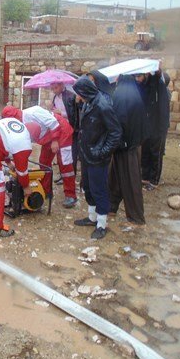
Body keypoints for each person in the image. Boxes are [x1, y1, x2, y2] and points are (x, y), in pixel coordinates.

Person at [72, 76, 122, 240]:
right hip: (87, 154)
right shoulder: (88, 103)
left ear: (85, 91)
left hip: (97, 156)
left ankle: (101, 223)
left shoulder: (103, 105)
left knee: (99, 189)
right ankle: (92, 217)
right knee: (88, 186)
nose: (77, 96)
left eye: (78, 93)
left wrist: (103, 152)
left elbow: (116, 133)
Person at [2, 105, 77, 208]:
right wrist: (11, 160)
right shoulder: (17, 124)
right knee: (44, 162)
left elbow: (54, 123)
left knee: (65, 165)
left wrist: (55, 141)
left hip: (62, 132)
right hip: (47, 136)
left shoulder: (34, 111)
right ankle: (46, 191)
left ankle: (70, 195)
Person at [109, 75, 147, 226]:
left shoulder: (121, 94)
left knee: (131, 181)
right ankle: (111, 207)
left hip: (126, 145)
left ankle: (136, 217)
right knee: (115, 179)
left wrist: (118, 142)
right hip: (130, 143)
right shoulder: (133, 92)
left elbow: (119, 120)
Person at [141, 70, 171, 190]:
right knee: (146, 150)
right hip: (149, 126)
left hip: (159, 128)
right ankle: (145, 176)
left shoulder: (164, 92)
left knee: (156, 153)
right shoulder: (151, 91)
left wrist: (158, 72)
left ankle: (154, 180)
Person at [50, 81, 80, 176]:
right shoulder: (55, 97)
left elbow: (75, 115)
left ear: (62, 85)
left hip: (70, 130)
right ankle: (63, 175)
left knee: (70, 153)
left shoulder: (71, 96)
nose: (54, 90)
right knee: (60, 152)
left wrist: (61, 113)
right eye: (52, 88)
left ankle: (71, 174)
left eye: (55, 87)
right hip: (60, 128)